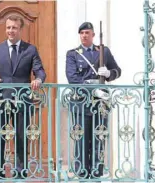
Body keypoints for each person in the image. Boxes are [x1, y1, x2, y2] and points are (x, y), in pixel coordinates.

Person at [0, 15, 46, 179]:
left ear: (20, 29)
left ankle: (20, 172)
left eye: (14, 28)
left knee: (20, 137)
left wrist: (39, 79)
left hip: (22, 100)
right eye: (8, 27)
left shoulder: (30, 49)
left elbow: (39, 70)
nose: (10, 31)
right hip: (0, 100)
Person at [65, 22, 121, 179]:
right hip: (80, 103)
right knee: (81, 141)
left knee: (99, 140)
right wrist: (93, 89)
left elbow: (118, 70)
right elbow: (73, 78)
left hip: (100, 104)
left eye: (87, 32)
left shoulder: (103, 51)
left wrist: (109, 73)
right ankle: (82, 175)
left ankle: (97, 174)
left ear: (93, 35)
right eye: (82, 32)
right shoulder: (73, 54)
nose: (84, 35)